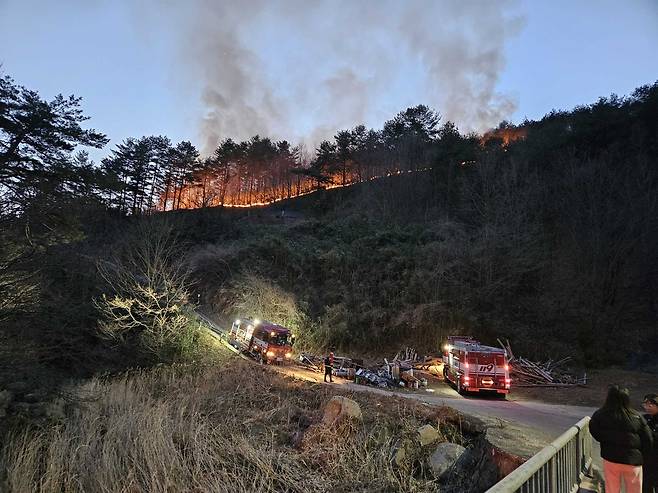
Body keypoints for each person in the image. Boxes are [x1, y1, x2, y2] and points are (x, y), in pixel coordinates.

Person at [590, 385, 653, 493]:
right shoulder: (636, 416)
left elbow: (593, 429)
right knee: (635, 490)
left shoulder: (600, 414)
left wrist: (605, 440)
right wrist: (643, 455)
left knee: (612, 489)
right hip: (633, 461)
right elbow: (648, 439)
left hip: (611, 458)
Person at [642, 393, 658, 493]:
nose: (648, 407)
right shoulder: (643, 419)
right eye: (645, 404)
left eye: (650, 404)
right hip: (646, 460)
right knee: (646, 486)